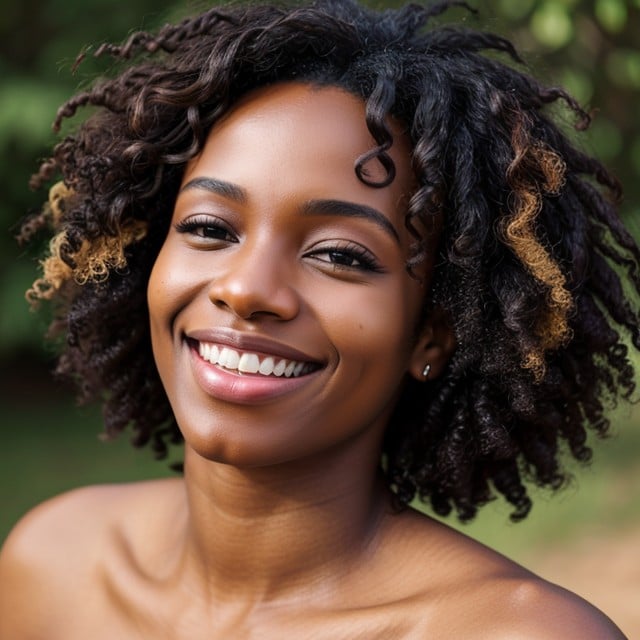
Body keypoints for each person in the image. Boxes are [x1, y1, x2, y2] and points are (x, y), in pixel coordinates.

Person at [0, 0, 636, 637]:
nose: (247, 289)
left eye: (339, 254)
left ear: (431, 335)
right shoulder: (52, 566)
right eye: (208, 227)